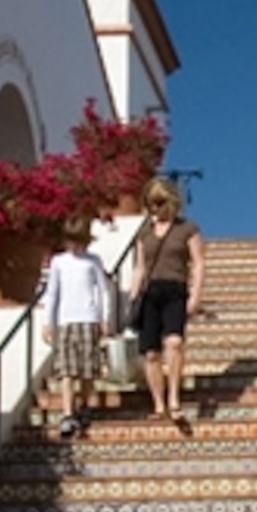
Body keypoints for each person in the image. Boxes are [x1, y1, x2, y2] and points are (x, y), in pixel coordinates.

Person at [128, 177, 205, 431]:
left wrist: (195, 295)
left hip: (175, 290)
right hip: (150, 293)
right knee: (150, 353)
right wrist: (133, 296)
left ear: (170, 202)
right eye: (150, 203)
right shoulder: (144, 233)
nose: (154, 208)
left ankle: (174, 398)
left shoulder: (187, 229)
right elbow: (139, 267)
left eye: (159, 202)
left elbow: (198, 262)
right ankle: (158, 404)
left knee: (175, 342)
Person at [39, 237, 116, 437]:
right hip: (65, 321)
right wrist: (48, 322)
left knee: (87, 370)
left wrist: (104, 317)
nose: (75, 247)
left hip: (88, 318)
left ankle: (85, 406)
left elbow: (103, 290)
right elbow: (52, 293)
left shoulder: (93, 261)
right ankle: (67, 413)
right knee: (66, 370)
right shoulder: (59, 262)